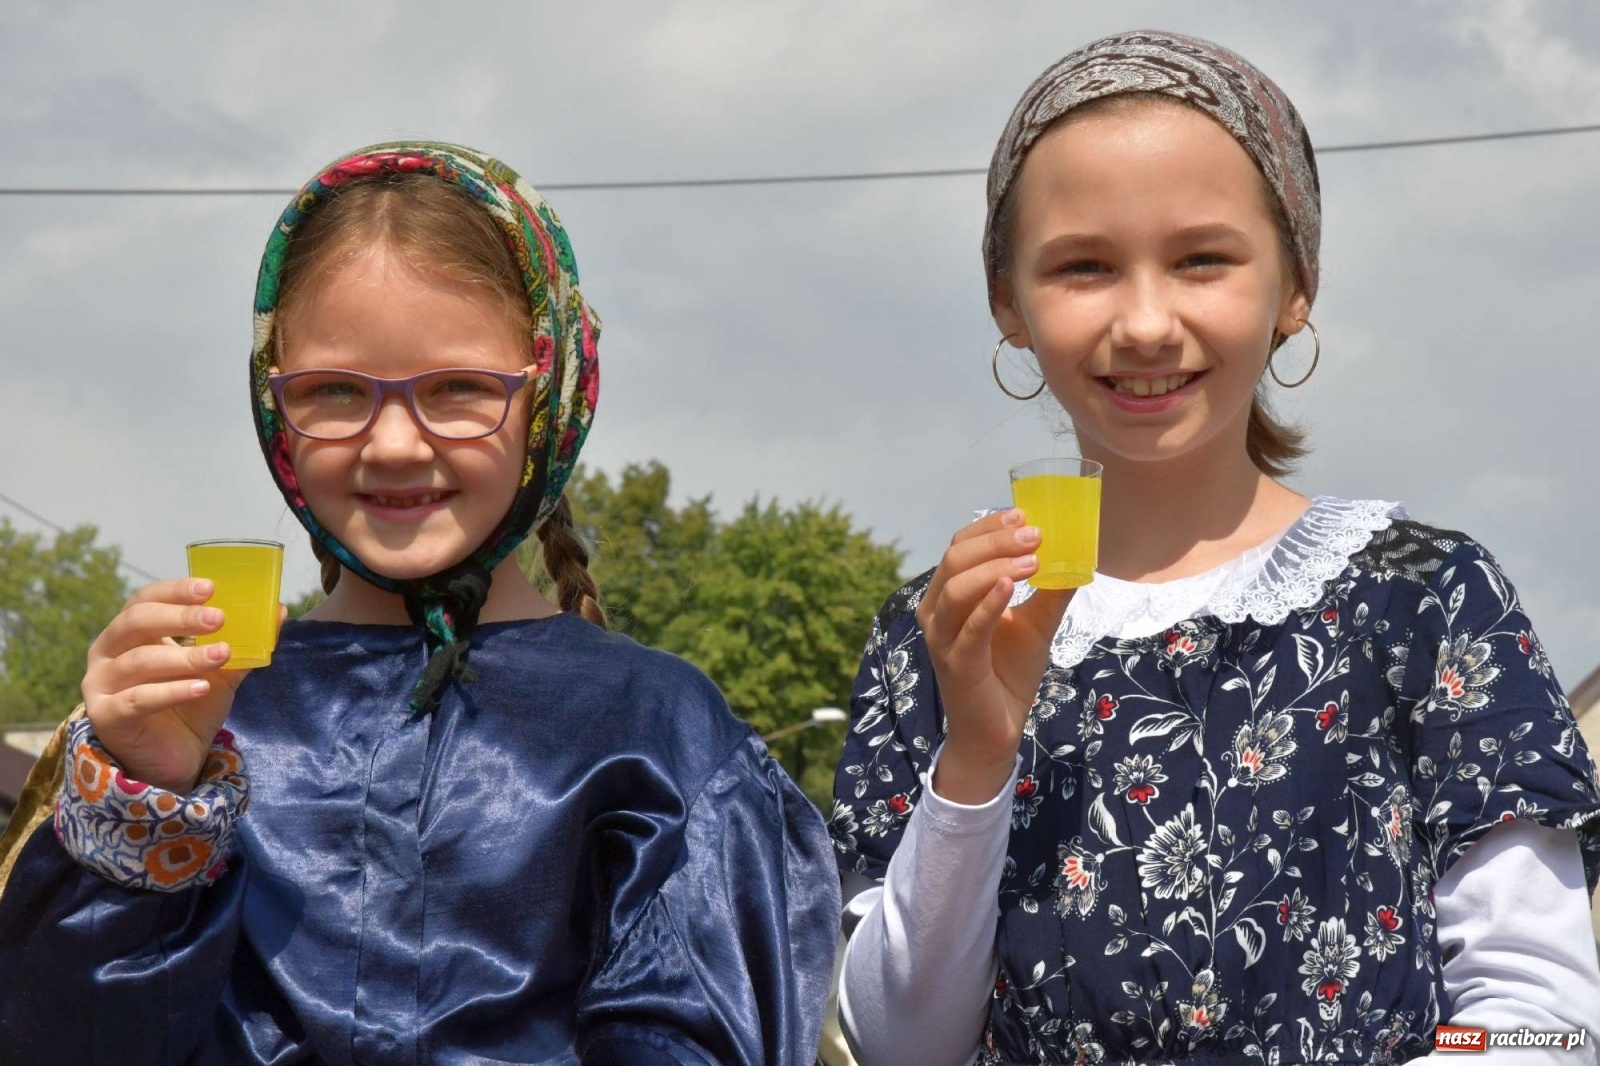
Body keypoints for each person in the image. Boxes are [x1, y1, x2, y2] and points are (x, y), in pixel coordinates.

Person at [829, 31, 1600, 1066]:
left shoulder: (1427, 595)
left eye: (1201, 259)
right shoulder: (942, 630)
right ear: (1008, 301)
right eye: (1084, 267)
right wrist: (975, 758)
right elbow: (899, 1047)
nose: (1147, 323)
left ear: (1297, 281)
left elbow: (1542, 1014)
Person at [0, 141, 839, 1065]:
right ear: (274, 405)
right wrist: (146, 805)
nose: (394, 444)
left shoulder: (658, 729)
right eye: (334, 391)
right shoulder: (196, 719)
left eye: (459, 389)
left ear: (552, 396)